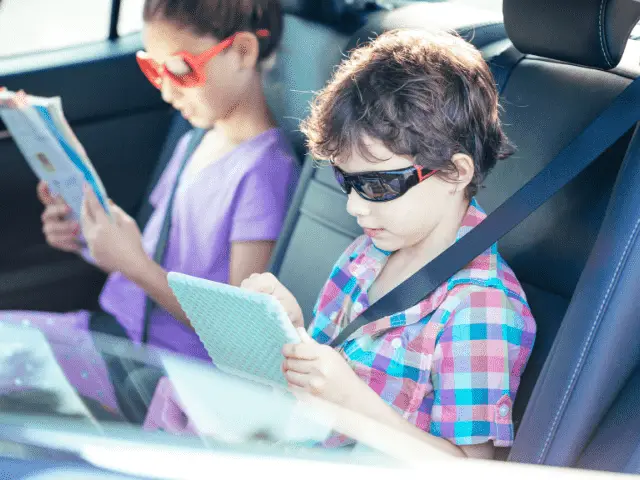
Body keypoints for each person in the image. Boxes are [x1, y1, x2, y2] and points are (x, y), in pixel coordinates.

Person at [241, 29, 536, 458]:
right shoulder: (364, 255)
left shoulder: (480, 307)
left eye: (377, 185)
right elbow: (329, 374)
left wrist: (354, 405)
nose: (355, 208)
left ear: (454, 173)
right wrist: (290, 332)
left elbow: (472, 467)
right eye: (346, 181)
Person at [0, 0, 297, 416]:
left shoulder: (264, 174)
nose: (165, 89)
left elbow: (239, 332)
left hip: (159, 374)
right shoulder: (198, 139)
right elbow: (159, 254)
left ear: (243, 52)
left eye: (178, 71)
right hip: (113, 332)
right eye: (152, 69)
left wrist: (133, 264)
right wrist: (93, 243)